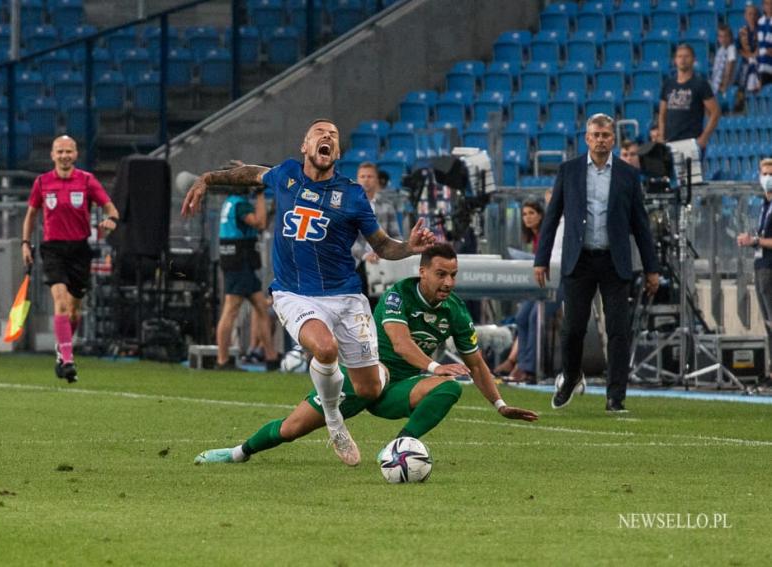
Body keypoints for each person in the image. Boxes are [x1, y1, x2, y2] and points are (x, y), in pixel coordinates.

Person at [181, 118, 436, 466]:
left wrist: (409, 246)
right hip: (294, 293)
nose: (327, 135)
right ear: (305, 146)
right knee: (325, 348)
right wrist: (208, 179)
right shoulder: (285, 175)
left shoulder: (352, 195)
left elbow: (382, 245)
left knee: (369, 389)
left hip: (345, 297)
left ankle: (375, 377)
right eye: (320, 132)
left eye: (333, 134)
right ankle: (334, 421)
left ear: (337, 152)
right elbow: (251, 174)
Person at [194, 243, 539, 465]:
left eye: (453, 275)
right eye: (441, 274)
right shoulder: (397, 295)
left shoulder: (457, 311)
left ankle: (398, 448)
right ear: (421, 272)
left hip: (400, 388)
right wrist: (436, 365)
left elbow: (476, 364)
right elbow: (400, 342)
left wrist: (500, 405)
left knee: (448, 388)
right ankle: (239, 453)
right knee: (291, 428)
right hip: (364, 377)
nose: (448, 282)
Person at [534, 113, 661, 413]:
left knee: (619, 330)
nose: (601, 140)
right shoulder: (570, 171)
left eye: (606, 135)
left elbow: (641, 225)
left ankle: (615, 396)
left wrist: (652, 267)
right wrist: (541, 259)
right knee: (573, 328)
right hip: (579, 261)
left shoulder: (629, 175)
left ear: (613, 138)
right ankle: (571, 376)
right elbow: (551, 218)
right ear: (587, 138)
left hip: (614, 261)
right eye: (596, 135)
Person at [21, 136, 119, 383]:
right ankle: (67, 359)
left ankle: (62, 349)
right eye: (59, 151)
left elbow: (111, 208)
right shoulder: (42, 182)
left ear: (75, 154)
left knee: (74, 312)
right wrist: (25, 244)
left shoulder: (86, 180)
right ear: (52, 155)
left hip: (79, 250)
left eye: (68, 151)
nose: (64, 155)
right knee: (61, 301)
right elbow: (31, 215)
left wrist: (111, 221)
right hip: (53, 249)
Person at [215, 188, 280, 370]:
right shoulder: (241, 204)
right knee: (231, 309)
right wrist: (260, 194)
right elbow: (259, 223)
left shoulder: (231, 201)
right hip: (239, 263)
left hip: (238, 263)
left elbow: (259, 223)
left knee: (260, 307)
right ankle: (222, 360)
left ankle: (271, 357)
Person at [494, 200, 545, 383]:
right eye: (524, 214)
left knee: (534, 317)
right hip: (538, 285)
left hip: (553, 285)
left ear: (540, 215)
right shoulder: (533, 239)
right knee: (522, 317)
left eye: (531, 213)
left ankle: (527, 368)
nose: (527, 218)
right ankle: (519, 364)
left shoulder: (547, 234)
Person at [737, 158, 772, 387]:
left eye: (771, 172)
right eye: (764, 172)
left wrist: (756, 240)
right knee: (768, 322)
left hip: (770, 267)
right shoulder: (764, 204)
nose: (767, 177)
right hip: (762, 266)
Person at [351, 162, 402, 307]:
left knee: (380, 308)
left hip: (381, 263)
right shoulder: (350, 206)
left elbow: (396, 236)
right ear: (357, 180)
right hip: (356, 263)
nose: (366, 179)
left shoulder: (387, 205)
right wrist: (365, 255)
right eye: (362, 176)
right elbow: (345, 239)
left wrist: (386, 252)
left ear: (377, 180)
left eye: (370, 176)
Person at [658, 44, 721, 154]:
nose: (683, 60)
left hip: (691, 142)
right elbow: (662, 114)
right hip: (669, 142)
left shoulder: (700, 84)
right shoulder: (668, 84)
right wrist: (661, 138)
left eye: (686, 56)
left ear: (693, 59)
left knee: (691, 171)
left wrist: (704, 138)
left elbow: (715, 112)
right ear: (675, 60)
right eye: (679, 56)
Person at [738, 5, 762, 98]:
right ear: (745, 16)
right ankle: (742, 98)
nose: (752, 16)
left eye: (754, 14)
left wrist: (755, 55)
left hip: (760, 59)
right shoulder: (742, 31)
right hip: (747, 60)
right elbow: (738, 49)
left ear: (758, 17)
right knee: (743, 67)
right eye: (750, 14)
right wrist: (748, 55)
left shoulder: (762, 30)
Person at [711, 24, 738, 97]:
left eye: (726, 36)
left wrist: (724, 86)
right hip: (716, 85)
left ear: (731, 37)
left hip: (725, 86)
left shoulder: (732, 49)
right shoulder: (720, 50)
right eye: (720, 36)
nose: (723, 39)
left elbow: (729, 70)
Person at [759, 0, 772, 86]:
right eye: (767, 3)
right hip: (763, 64)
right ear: (763, 6)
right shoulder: (760, 22)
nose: (770, 6)